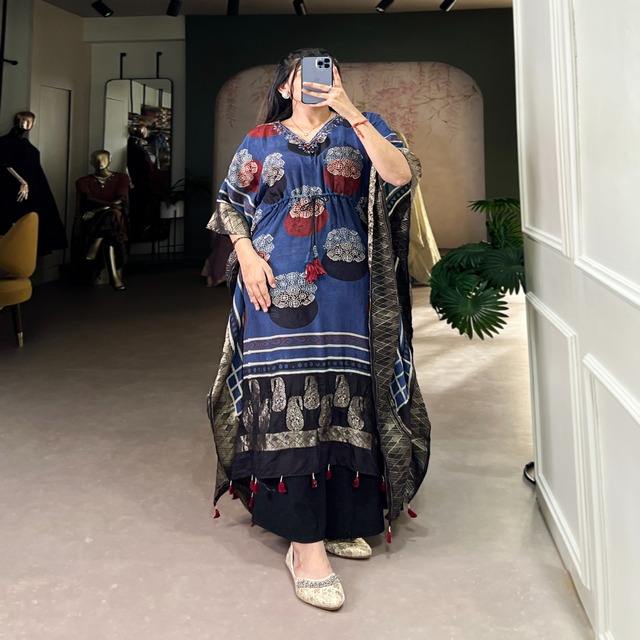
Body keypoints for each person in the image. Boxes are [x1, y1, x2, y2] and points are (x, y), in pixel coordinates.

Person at [206, 48, 432, 611]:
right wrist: (245, 255)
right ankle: (304, 546)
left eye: (328, 75)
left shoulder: (364, 127)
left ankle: (338, 520)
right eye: (302, 76)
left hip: (349, 288)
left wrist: (351, 111)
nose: (316, 84)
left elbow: (401, 176)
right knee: (286, 399)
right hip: (270, 284)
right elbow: (230, 203)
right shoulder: (260, 139)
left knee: (345, 394)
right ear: (285, 87)